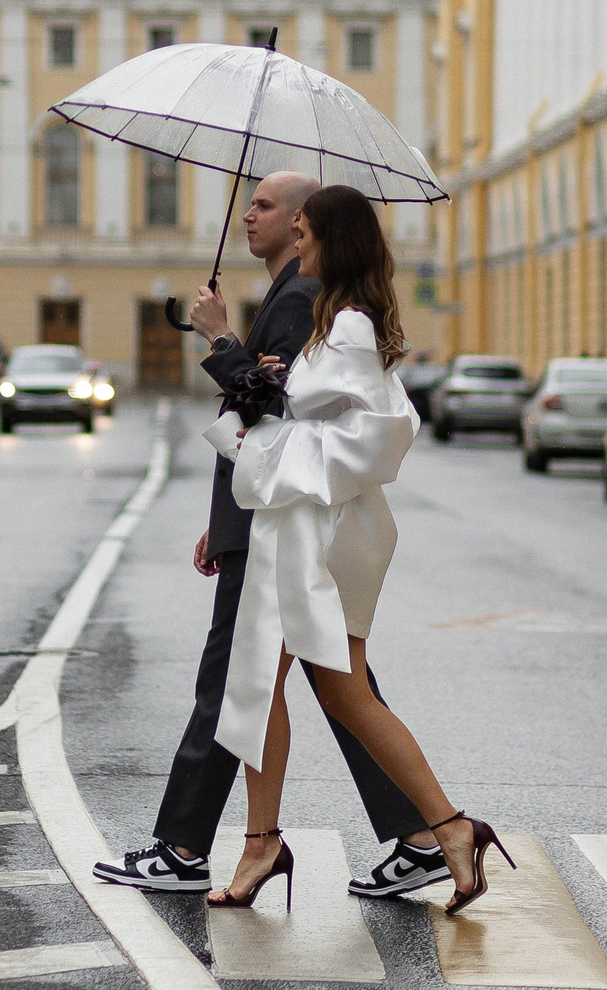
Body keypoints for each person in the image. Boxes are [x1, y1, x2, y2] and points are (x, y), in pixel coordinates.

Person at [93, 172, 442, 905]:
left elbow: (271, 411)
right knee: (328, 684)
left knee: (243, 679)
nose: (249, 216)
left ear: (303, 225)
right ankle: (419, 834)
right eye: (249, 205)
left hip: (286, 519)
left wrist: (219, 335)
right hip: (279, 514)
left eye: (267, 207)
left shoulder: (300, 299)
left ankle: (190, 846)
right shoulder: (300, 295)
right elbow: (276, 412)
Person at [204, 183, 508, 914]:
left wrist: (224, 348)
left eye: (304, 229)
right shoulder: (332, 322)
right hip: (315, 526)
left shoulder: (344, 324)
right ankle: (442, 828)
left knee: (290, 683)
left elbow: (355, 430)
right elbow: (298, 408)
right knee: (315, 686)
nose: (296, 241)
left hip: (319, 531)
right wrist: (268, 385)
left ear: (332, 239)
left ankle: (283, 840)